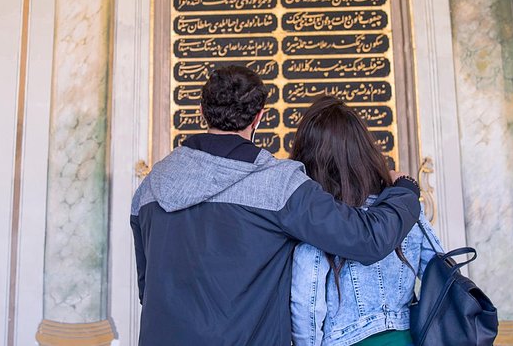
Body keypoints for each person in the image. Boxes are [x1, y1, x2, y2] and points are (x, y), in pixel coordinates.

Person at [130, 66, 422, 345]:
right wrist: (405, 190)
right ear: (259, 117)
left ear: (202, 112)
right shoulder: (280, 185)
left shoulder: (149, 188)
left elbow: (147, 289)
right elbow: (367, 239)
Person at [290, 96, 444, 346]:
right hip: (406, 339)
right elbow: (438, 269)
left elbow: (306, 302)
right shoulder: (403, 210)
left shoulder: (321, 220)